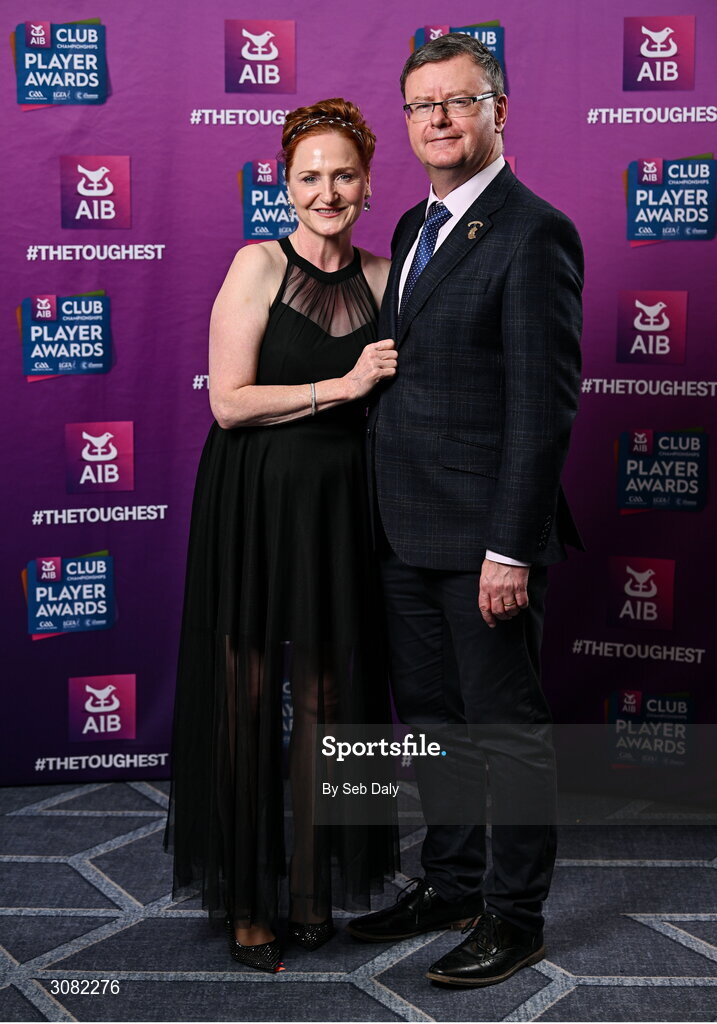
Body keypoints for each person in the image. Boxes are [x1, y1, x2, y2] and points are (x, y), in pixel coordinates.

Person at [347, 34, 584, 988]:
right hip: (402, 528)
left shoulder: (534, 232)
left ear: (498, 111)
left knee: (504, 731)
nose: (438, 119)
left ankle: (515, 915)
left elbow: (543, 404)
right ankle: (447, 881)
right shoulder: (410, 226)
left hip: (482, 540)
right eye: (420, 106)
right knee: (434, 722)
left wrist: (509, 549)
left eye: (458, 101)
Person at [165, 98, 399, 973]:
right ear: (284, 183)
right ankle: (248, 900)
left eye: (343, 174)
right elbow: (228, 402)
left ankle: (309, 891)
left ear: (368, 183)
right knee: (249, 701)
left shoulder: (386, 277)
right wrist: (341, 387)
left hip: (343, 512)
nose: (327, 190)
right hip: (254, 504)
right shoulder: (256, 265)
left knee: (333, 705)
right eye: (309, 176)